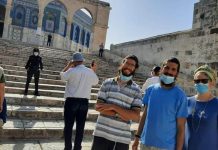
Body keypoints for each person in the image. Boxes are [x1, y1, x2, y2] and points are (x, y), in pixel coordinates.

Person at [132, 57, 188, 150]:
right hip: (145, 144)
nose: (169, 71)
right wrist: (137, 138)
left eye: (173, 69)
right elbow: (144, 115)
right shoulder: (150, 89)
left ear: (177, 73)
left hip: (166, 147)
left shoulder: (180, 96)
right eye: (167, 67)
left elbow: (181, 127)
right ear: (161, 69)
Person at [91, 55, 143, 150]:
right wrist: (124, 115)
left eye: (132, 65)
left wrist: (113, 107)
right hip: (101, 134)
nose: (129, 66)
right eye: (127, 63)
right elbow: (98, 106)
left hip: (121, 139)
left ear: (135, 68)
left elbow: (135, 116)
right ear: (122, 63)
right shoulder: (107, 83)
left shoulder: (137, 90)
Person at [60, 52, 99, 150]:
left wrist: (68, 66)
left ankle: (68, 147)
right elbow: (96, 81)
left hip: (71, 102)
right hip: (84, 102)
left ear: (74, 61)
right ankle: (77, 147)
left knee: (68, 126)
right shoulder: (89, 71)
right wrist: (93, 70)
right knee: (80, 127)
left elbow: (62, 77)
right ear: (82, 61)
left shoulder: (71, 70)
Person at [184, 65, 218, 150]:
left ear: (212, 83)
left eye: (204, 81)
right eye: (197, 81)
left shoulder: (216, 104)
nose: (200, 83)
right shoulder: (186, 102)